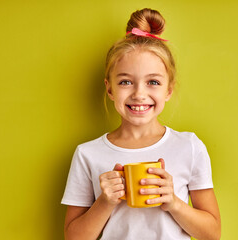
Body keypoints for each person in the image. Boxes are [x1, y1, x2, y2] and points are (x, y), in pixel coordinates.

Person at [61, 8, 221, 240]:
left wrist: (173, 203)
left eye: (153, 82)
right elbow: (73, 238)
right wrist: (105, 202)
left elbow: (213, 234)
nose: (139, 94)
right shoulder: (87, 154)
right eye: (126, 81)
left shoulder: (190, 146)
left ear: (168, 90)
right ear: (109, 89)